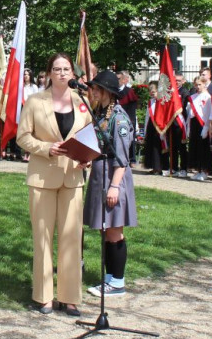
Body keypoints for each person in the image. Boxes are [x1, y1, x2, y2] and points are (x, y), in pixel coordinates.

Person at [16, 53, 93, 317]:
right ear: (49, 73)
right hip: (42, 178)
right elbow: (22, 137)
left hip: (73, 178)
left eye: (66, 69)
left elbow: (90, 137)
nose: (62, 73)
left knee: (72, 238)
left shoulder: (82, 102)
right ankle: (44, 295)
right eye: (57, 69)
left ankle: (70, 297)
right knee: (43, 238)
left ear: (73, 73)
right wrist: (47, 148)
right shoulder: (35, 101)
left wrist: (87, 160)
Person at [83, 70, 138, 298]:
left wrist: (115, 186)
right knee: (106, 230)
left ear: (106, 92)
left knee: (114, 231)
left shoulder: (119, 118)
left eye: (96, 88)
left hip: (112, 177)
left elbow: (122, 157)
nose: (92, 91)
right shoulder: (100, 113)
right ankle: (109, 277)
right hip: (100, 174)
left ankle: (117, 281)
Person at [186, 75, 212, 181]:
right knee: (195, 147)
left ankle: (204, 170)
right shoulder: (193, 97)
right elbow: (190, 114)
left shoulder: (207, 97)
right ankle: (198, 170)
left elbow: (208, 114)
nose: (198, 87)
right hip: (194, 123)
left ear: (204, 84)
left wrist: (206, 127)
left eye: (200, 84)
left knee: (203, 148)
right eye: (196, 85)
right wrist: (188, 127)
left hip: (202, 124)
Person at [142, 82, 164, 174]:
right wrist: (145, 129)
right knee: (151, 146)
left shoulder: (162, 101)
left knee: (157, 147)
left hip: (159, 125)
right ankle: (154, 167)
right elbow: (148, 115)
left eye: (154, 92)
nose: (152, 93)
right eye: (150, 92)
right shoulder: (150, 102)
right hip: (151, 125)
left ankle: (159, 167)